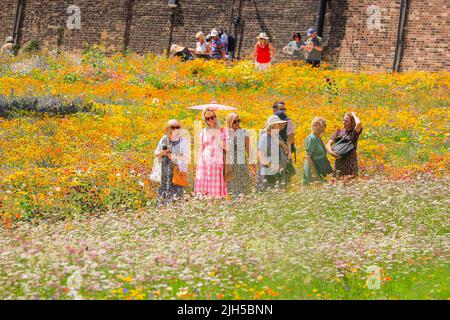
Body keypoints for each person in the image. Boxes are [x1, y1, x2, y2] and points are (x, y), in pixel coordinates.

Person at [154, 119, 191, 206]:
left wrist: (172, 156)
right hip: (165, 170)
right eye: (173, 127)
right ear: (168, 129)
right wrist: (163, 152)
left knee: (177, 190)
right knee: (164, 189)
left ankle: (176, 210)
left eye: (177, 127)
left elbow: (187, 158)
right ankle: (162, 209)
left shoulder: (183, 141)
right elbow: (156, 154)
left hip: (177, 170)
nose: (175, 129)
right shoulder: (164, 139)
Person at [194, 108, 228, 198]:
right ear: (205, 120)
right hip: (204, 162)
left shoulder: (222, 131)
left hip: (216, 162)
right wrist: (197, 163)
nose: (210, 120)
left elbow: (227, 147)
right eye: (207, 118)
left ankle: (214, 208)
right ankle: (207, 209)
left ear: (216, 117)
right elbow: (201, 147)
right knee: (204, 189)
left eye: (212, 117)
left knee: (215, 190)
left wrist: (217, 138)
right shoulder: (203, 132)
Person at [326, 112, 363, 178]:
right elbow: (328, 144)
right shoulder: (338, 132)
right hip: (339, 165)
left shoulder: (354, 133)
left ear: (352, 122)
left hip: (350, 166)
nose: (343, 122)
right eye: (343, 120)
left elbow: (359, 124)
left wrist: (354, 114)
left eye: (346, 121)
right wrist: (331, 153)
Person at [224, 113, 252, 196]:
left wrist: (253, 164)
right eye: (234, 122)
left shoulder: (244, 133)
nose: (237, 123)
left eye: (238, 121)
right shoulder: (225, 134)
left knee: (244, 192)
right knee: (232, 193)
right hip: (230, 168)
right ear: (229, 122)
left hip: (241, 167)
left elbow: (249, 150)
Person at [257, 115, 288, 190]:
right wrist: (274, 166)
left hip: (277, 173)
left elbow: (286, 150)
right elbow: (261, 156)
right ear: (273, 125)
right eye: (279, 124)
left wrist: (282, 144)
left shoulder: (276, 136)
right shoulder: (265, 137)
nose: (281, 126)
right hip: (268, 173)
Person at [303, 117, 332, 185]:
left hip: (320, 165)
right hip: (314, 166)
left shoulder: (318, 137)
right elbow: (308, 156)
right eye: (321, 128)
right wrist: (314, 173)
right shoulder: (312, 138)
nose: (323, 130)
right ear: (315, 126)